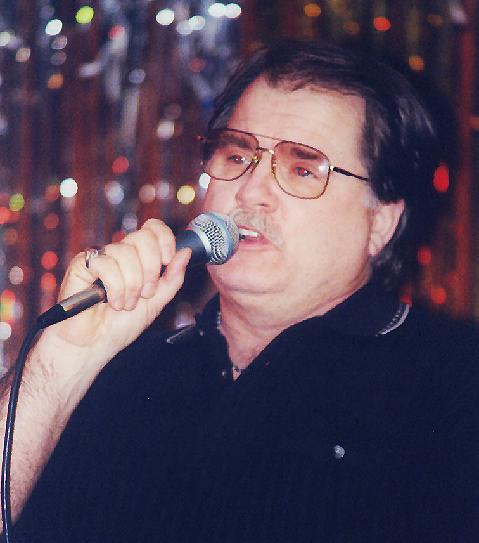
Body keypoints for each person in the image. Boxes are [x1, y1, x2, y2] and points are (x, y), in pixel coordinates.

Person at [2, 39, 478, 543]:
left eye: (302, 168)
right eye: (237, 155)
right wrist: (63, 360)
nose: (250, 191)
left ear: (380, 222)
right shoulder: (122, 372)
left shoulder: (455, 383)